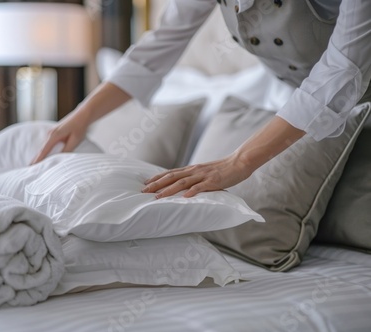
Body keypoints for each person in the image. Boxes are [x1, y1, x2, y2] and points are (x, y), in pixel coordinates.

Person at [31, 0, 371, 199]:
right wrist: (79, 117)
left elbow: (342, 71)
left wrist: (237, 162)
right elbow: (155, 50)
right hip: (304, 116)